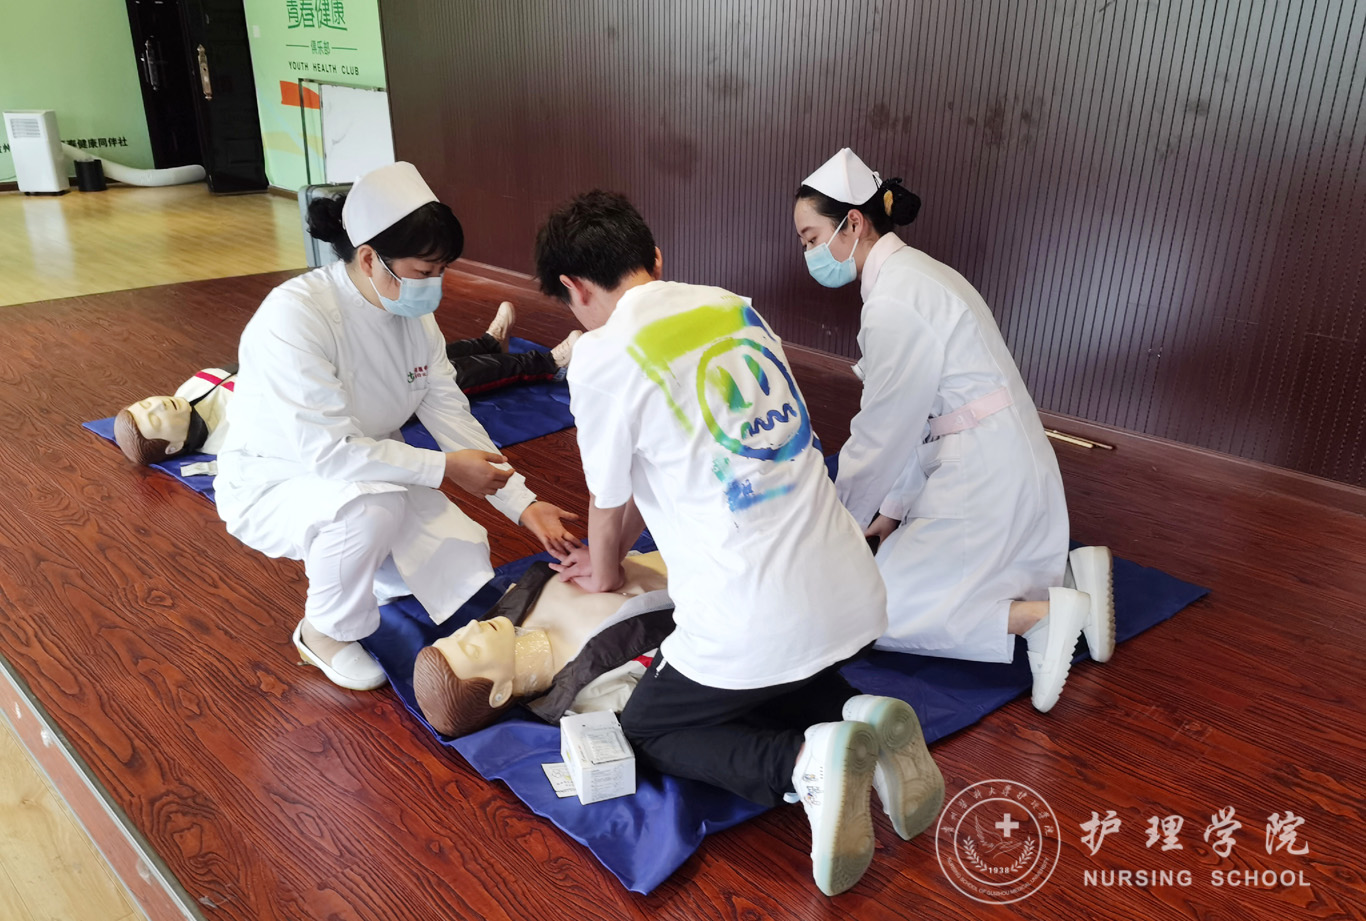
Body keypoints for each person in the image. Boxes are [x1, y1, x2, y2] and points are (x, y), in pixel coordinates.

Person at [534, 190, 944, 896]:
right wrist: (616, 550)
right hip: (851, 589)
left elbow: (608, 501)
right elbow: (653, 476)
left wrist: (603, 573)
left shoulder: (602, 356)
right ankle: (863, 716)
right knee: (769, 673)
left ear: (574, 286)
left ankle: (804, 763)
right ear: (655, 258)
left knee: (650, 726)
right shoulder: (732, 307)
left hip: (754, 615)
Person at [214, 161, 578, 693]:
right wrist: (445, 469)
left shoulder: (413, 317)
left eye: (442, 271)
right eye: (425, 271)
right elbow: (331, 453)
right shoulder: (295, 316)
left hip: (370, 463)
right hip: (283, 475)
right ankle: (322, 631)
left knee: (454, 552)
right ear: (369, 258)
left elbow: (453, 416)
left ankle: (370, 571)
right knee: (371, 509)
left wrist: (525, 503)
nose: (436, 286)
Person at [793, 147, 1116, 713]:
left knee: (867, 608)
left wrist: (837, 526)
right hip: (998, 457)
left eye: (811, 238)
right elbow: (915, 418)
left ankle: (1037, 616)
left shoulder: (894, 302)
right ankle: (1071, 576)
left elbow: (884, 432)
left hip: (983, 471)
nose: (809, 254)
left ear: (854, 223)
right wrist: (890, 511)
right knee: (902, 569)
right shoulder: (919, 274)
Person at [111, 303, 581, 466]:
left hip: (334, 364)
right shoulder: (234, 441)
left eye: (146, 403)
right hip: (363, 398)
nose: (157, 403)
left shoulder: (190, 390)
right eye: (155, 418)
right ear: (174, 447)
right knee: (447, 379)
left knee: (421, 348)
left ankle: (488, 341)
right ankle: (547, 363)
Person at [413, 551, 674, 738]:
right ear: (499, 692)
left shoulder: (512, 610)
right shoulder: (593, 690)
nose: (472, 626)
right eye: (472, 649)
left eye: (457, 634)